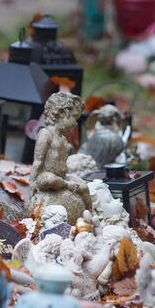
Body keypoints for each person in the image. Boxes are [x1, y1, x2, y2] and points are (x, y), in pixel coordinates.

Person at [29, 92, 92, 224]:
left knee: (84, 186)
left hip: (61, 177)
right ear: (62, 114)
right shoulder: (46, 134)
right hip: (46, 178)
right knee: (49, 179)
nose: (76, 123)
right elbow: (38, 161)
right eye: (75, 117)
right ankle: (67, 186)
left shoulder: (63, 139)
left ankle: (89, 214)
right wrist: (32, 183)